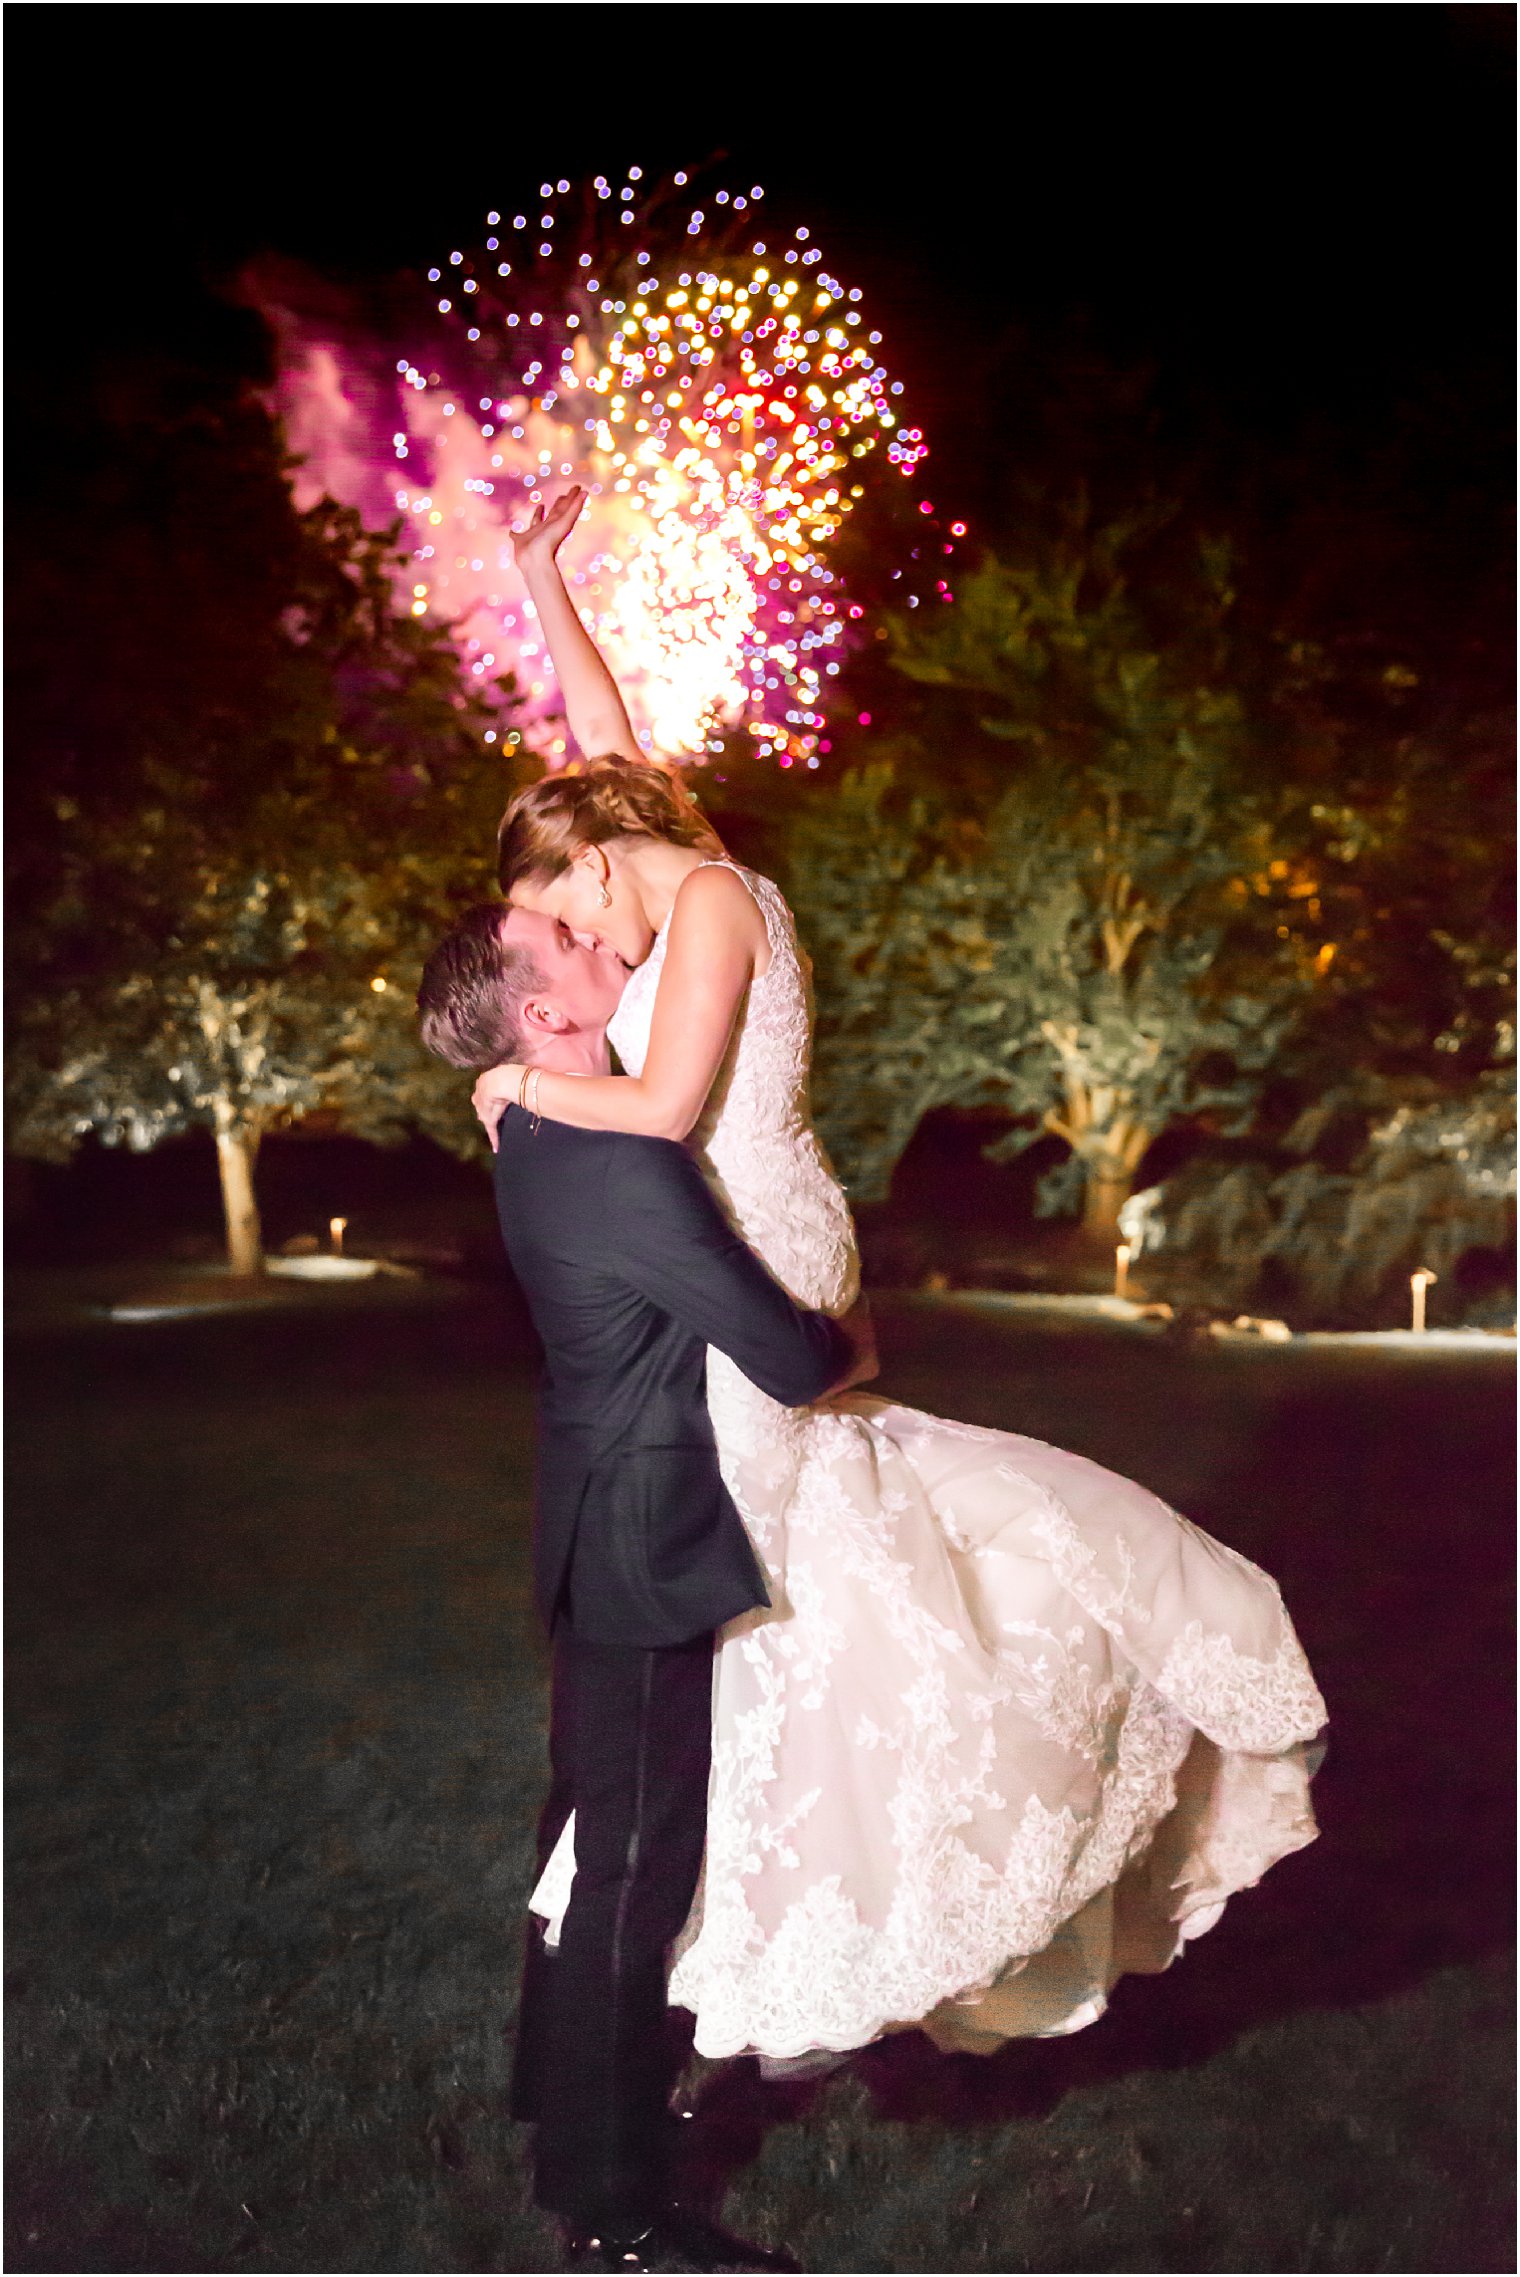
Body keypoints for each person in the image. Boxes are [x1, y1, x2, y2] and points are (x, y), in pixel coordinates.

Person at [471, 486, 1327, 2069]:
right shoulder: (668, 879)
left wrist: (526, 1088)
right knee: (766, 1599)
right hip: (714, 1263)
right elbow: (604, 749)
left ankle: (716, 1935)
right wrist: (539, 579)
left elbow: (662, 1110)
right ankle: (686, 1939)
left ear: (603, 863)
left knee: (764, 1599)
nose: (560, 952)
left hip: (747, 1255)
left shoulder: (710, 897)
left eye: (563, 903)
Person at [418, 903, 874, 2272]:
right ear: (547, 1013)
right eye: (558, 930)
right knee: (631, 1868)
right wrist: (856, 1339)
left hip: (594, 1524)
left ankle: (557, 2100)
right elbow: (787, 1357)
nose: (591, 922)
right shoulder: (618, 1161)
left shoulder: (540, 1131)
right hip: (640, 1540)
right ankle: (615, 2208)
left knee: (594, 1844)